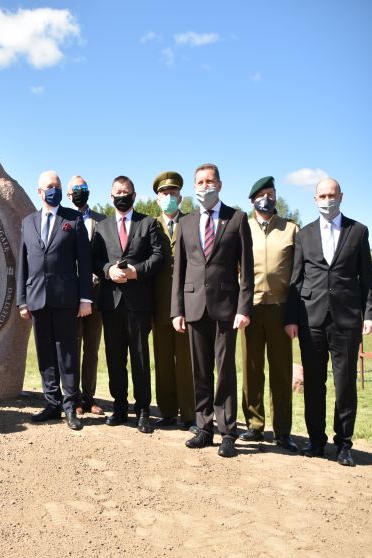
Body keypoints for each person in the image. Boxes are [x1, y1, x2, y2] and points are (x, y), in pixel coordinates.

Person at [285, 177, 372, 467]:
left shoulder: (358, 231)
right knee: (314, 383)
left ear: (341, 197)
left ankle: (344, 444)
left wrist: (370, 314)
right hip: (311, 318)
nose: (327, 200)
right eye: (322, 195)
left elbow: (368, 280)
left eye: (331, 195)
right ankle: (315, 440)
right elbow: (296, 280)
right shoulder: (305, 234)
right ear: (314, 200)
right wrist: (291, 319)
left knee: (345, 383)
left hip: (346, 319)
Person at [171, 163, 253, 458]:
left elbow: (247, 270)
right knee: (200, 370)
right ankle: (204, 427)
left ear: (220, 184)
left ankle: (228, 431)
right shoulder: (187, 223)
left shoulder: (237, 218)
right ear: (194, 187)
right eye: (200, 182)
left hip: (226, 308)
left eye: (209, 181)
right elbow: (179, 270)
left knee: (225, 370)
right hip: (193, 307)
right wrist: (176, 310)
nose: (204, 186)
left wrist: (244, 307)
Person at [17, 170, 92, 430]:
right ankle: (52, 403)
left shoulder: (73, 218)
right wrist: (22, 301)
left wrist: (85, 298)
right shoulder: (28, 222)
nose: (54, 189)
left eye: (57, 186)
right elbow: (23, 264)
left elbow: (84, 261)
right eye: (50, 186)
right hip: (37, 298)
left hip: (65, 298)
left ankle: (71, 406)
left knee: (67, 354)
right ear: (40, 191)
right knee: (45, 353)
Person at [92, 176, 165, 433]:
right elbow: (95, 260)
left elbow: (159, 256)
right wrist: (108, 270)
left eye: (126, 192)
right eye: (117, 192)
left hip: (138, 303)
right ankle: (120, 406)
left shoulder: (148, 223)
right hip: (111, 302)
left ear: (134, 195)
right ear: (111, 197)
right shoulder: (102, 227)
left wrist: (137, 271)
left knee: (140, 358)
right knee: (114, 357)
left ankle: (143, 410)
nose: (121, 196)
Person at [240, 176, 300, 452]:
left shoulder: (290, 229)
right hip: (250, 308)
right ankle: (254, 425)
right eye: (262, 194)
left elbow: (298, 275)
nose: (267, 199)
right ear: (253, 199)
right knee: (252, 370)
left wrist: (293, 314)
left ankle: (282, 431)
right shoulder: (242, 227)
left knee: (280, 371)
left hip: (280, 309)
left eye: (271, 194)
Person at [150, 171, 196, 431]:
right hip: (159, 304)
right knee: (164, 360)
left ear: (180, 197)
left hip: (188, 304)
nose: (169, 198)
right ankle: (167, 411)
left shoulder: (191, 223)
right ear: (157, 199)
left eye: (173, 193)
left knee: (187, 362)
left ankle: (189, 414)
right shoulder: (150, 225)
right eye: (164, 194)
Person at [67, 175, 106, 416]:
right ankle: (73, 399)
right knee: (73, 344)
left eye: (84, 188)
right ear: (69, 194)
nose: (80, 192)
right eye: (76, 189)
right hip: (71, 294)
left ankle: (89, 397)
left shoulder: (103, 221)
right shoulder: (64, 219)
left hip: (97, 294)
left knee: (92, 348)